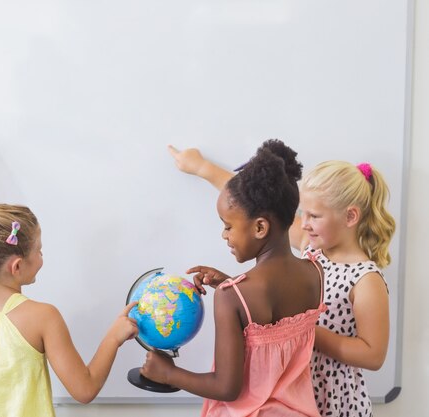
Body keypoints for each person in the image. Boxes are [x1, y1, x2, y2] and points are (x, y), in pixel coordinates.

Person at [168, 144, 395, 416]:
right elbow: (255, 203)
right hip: (293, 394)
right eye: (303, 214)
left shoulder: (365, 278)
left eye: (314, 216)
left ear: (350, 216)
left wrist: (305, 328)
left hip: (334, 400)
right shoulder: (313, 246)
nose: (305, 223)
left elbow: (373, 355)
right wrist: (202, 168)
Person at [141, 140, 324, 416]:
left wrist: (169, 373)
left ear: (260, 227)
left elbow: (227, 388)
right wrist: (232, 283)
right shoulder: (315, 272)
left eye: (228, 226)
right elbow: (274, 321)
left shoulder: (231, 297)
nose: (224, 235)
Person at [0, 203, 139, 417]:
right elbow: (85, 389)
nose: (42, 257)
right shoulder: (43, 317)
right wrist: (113, 338)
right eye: (39, 251)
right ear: (17, 266)